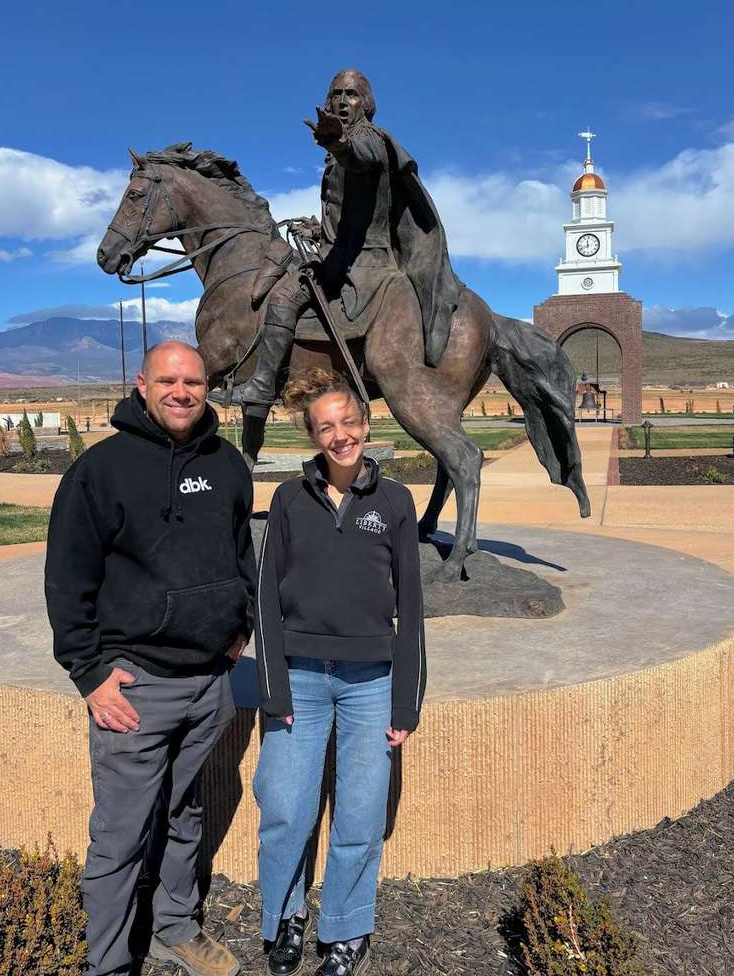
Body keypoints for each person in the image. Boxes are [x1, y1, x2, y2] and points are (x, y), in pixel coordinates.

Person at [45, 341, 255, 976]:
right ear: (142, 385)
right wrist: (89, 675)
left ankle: (174, 928)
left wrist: (240, 620)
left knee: (186, 813)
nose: (182, 392)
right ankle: (107, 964)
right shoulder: (101, 471)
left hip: (209, 682)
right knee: (120, 838)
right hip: (136, 687)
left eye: (193, 381)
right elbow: (67, 580)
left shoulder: (227, 463)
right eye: (168, 380)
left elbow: (242, 549)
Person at [253, 367, 426, 975]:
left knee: (359, 813)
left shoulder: (397, 502)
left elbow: (411, 606)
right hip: (298, 678)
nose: (340, 435)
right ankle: (285, 918)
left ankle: (347, 932)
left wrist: (406, 703)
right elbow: (266, 600)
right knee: (284, 806)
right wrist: (273, 689)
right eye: (326, 427)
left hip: (370, 685)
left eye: (348, 422)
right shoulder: (288, 499)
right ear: (313, 437)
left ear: (366, 425)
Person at [228, 68, 461, 409]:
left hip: (362, 266)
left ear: (366, 103)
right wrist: (319, 231)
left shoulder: (370, 139)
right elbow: (357, 217)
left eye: (351, 94)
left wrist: (339, 143)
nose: (341, 101)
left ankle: (262, 385)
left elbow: (360, 156)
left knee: (281, 297)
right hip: (344, 252)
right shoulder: (350, 144)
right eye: (335, 94)